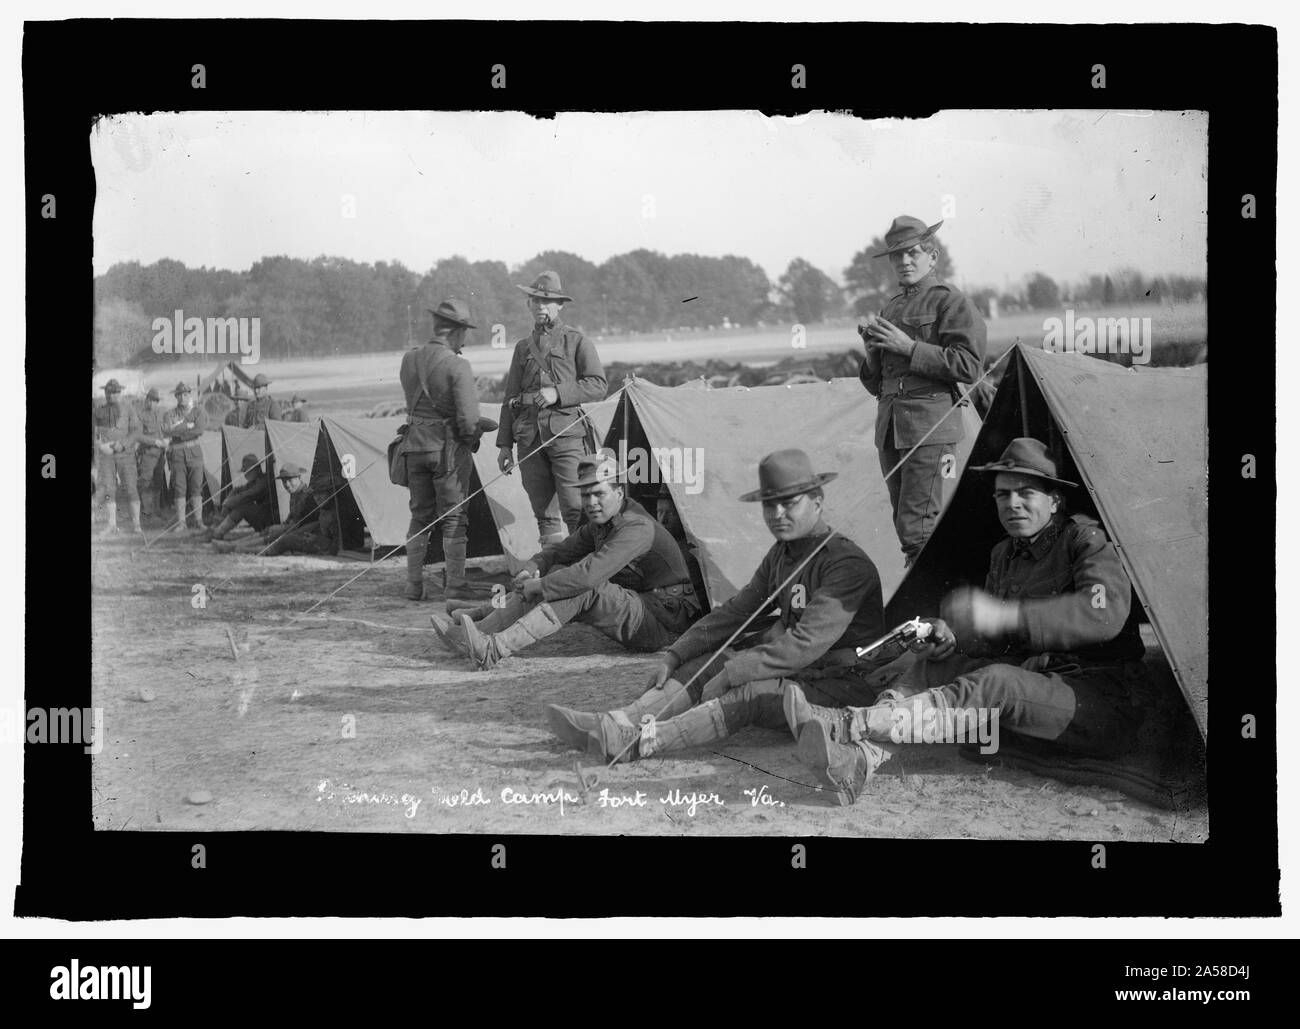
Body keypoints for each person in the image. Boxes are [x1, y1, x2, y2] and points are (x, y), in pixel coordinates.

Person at [793, 438, 1147, 804]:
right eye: (1002, 495)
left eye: (1026, 493)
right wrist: (951, 637)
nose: (1012, 504)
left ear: (1054, 500)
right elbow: (998, 643)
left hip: (1098, 700)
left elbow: (1104, 614)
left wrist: (1005, 614)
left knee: (998, 682)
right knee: (934, 665)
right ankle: (862, 758)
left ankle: (851, 724)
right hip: (1036, 686)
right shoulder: (1004, 554)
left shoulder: (1085, 540)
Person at [546, 448, 886, 766]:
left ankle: (637, 743)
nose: (777, 515)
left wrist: (733, 672)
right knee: (709, 661)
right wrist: (677, 654)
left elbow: (803, 643)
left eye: (789, 503)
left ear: (817, 501)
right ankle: (619, 721)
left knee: (748, 690)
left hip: (844, 684)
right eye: (770, 505)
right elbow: (737, 610)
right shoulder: (783, 554)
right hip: (804, 671)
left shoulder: (844, 564)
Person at [433, 451, 702, 670]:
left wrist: (539, 586)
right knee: (561, 571)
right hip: (642, 606)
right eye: (585, 495)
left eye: (599, 494)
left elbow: (588, 575)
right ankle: (477, 631)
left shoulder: (636, 527)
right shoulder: (603, 523)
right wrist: (531, 569)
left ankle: (494, 648)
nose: (591, 502)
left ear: (619, 494)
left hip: (664, 624)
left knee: (583, 585)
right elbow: (558, 553)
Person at [858, 215, 987, 566]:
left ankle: (932, 613)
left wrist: (908, 348)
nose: (904, 262)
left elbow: (969, 367)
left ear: (932, 255)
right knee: (906, 526)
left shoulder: (951, 302)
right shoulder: (892, 307)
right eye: (897, 256)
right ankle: (927, 611)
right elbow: (878, 385)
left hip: (929, 427)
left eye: (913, 253)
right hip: (891, 429)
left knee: (919, 528)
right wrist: (871, 354)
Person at [496, 271, 607, 546]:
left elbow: (598, 385)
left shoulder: (577, 341)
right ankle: (554, 570)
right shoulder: (522, 348)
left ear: (560, 305)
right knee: (543, 512)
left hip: (567, 437)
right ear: (528, 305)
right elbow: (510, 397)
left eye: (547, 302)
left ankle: (582, 571)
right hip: (529, 438)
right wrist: (504, 445)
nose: (540, 306)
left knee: (575, 508)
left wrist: (558, 392)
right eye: (535, 301)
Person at [396, 298, 487, 601]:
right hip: (446, 450)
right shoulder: (457, 365)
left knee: (420, 515)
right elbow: (469, 418)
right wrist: (472, 438)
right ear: (456, 332)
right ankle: (456, 586)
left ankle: (412, 585)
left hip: (412, 447)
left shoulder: (409, 360)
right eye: (464, 333)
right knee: (453, 517)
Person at [213, 463, 336, 556]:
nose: (287, 484)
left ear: (299, 478)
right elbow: (293, 516)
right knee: (271, 531)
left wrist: (285, 528)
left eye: (290, 480)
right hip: (296, 527)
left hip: (306, 531)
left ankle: (239, 549)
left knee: (278, 536)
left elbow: (304, 521)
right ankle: (234, 546)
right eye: (284, 481)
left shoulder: (308, 496)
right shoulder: (295, 493)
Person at [92, 379, 143, 535]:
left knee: (130, 487)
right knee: (109, 488)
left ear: (120, 393)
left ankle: (136, 524)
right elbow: (94, 433)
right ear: (105, 393)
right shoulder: (99, 410)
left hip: (125, 455)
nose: (111, 395)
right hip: (107, 455)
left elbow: (136, 431)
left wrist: (124, 444)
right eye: (108, 392)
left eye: (114, 392)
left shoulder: (129, 408)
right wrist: (100, 446)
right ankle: (111, 523)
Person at [162, 382, 209, 531]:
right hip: (177, 454)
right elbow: (167, 432)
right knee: (179, 487)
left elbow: (199, 430)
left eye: (186, 394)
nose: (183, 397)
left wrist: (178, 430)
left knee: (196, 486)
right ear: (176, 396)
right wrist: (187, 427)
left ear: (190, 395)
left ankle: (198, 520)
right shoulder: (169, 414)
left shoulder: (198, 411)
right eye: (180, 395)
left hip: (194, 453)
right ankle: (181, 523)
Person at [203, 453, 273, 542]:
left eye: (247, 472)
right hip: (263, 520)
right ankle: (216, 529)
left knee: (242, 507)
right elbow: (238, 490)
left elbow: (250, 494)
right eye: (245, 472)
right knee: (239, 503)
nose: (245, 475)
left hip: (270, 522)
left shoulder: (263, 481)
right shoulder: (255, 481)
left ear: (256, 469)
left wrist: (230, 501)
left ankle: (217, 532)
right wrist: (229, 500)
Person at [134, 387, 169, 522]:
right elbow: (138, 436)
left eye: (155, 401)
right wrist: (155, 442)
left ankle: (156, 510)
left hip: (160, 455)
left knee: (158, 482)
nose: (152, 403)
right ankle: (143, 509)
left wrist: (167, 439)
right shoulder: (141, 415)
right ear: (146, 400)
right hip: (147, 454)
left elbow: (166, 430)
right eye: (150, 400)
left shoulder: (161, 414)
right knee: (145, 481)